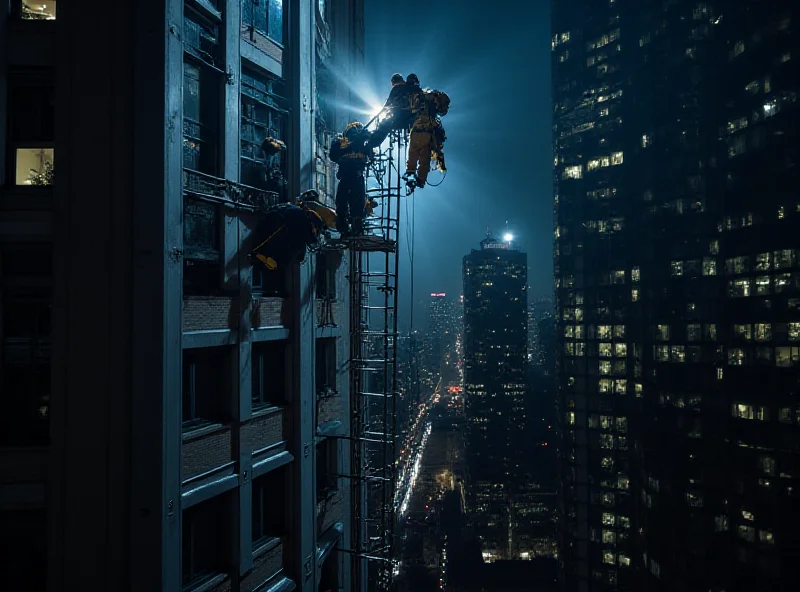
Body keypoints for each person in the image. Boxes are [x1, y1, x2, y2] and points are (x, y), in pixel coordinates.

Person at [248, 202, 326, 271]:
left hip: (266, 222)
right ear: (314, 227)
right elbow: (292, 250)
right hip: (266, 236)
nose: (315, 234)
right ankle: (259, 256)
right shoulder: (303, 227)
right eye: (316, 232)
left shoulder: (298, 211)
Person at [329, 121, 373, 237]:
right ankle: (347, 227)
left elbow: (370, 152)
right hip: (350, 176)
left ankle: (352, 227)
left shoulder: (363, 143)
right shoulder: (340, 143)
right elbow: (333, 155)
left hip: (352, 177)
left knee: (353, 203)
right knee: (345, 203)